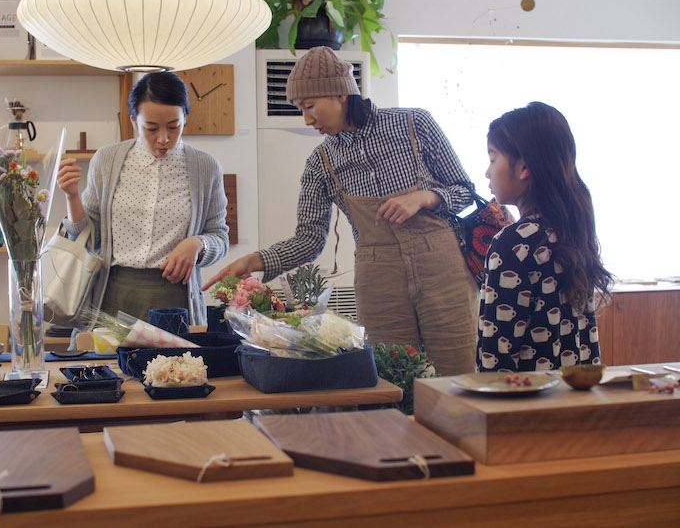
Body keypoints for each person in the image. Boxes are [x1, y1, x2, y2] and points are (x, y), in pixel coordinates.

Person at [203, 46, 478, 377]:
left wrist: (425, 198)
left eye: (309, 106)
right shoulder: (320, 163)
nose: (307, 119)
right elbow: (308, 239)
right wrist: (255, 261)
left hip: (443, 271)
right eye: (300, 109)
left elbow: (465, 190)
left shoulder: (414, 124)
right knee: (391, 379)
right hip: (380, 281)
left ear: (340, 93)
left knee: (456, 375)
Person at [57, 71, 229, 329]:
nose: (163, 138)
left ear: (186, 118)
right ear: (133, 121)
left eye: (174, 126)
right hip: (112, 294)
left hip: (174, 298)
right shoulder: (107, 160)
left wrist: (197, 243)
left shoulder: (205, 167)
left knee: (176, 370)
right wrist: (72, 197)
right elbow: (88, 240)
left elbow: (220, 237)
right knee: (109, 368)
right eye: (151, 128)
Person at [477, 102, 614, 372]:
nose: (487, 172)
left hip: (525, 405)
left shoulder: (513, 242)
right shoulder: (573, 230)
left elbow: (496, 354)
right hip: (572, 401)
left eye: (493, 159)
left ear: (524, 168)